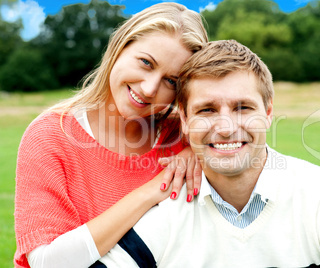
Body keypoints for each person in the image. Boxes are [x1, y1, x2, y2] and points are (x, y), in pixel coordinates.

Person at [96, 40, 320, 267]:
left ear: (269, 112)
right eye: (207, 110)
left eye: (243, 107)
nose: (225, 128)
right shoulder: (162, 217)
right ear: (184, 120)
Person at [14, 3, 208, 268]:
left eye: (171, 81)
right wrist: (151, 191)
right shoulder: (50, 135)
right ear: (120, 47)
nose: (150, 88)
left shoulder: (184, 135)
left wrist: (198, 150)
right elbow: (48, 262)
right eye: (146, 63)